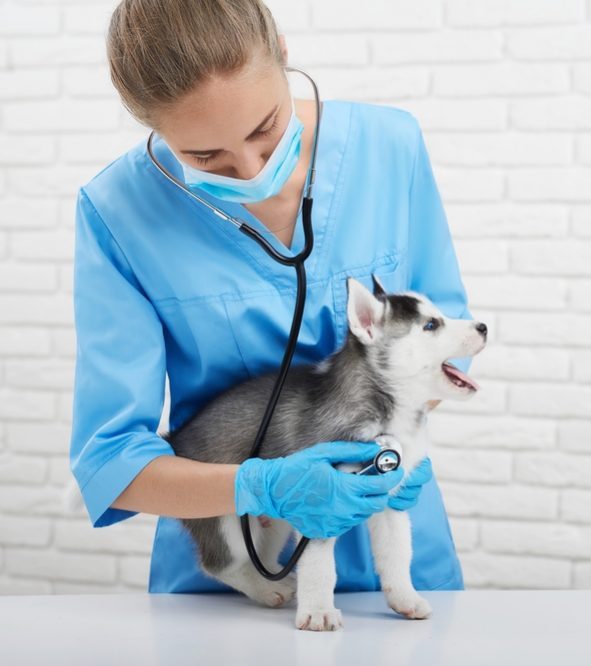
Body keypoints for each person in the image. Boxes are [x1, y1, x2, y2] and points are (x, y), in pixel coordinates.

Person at [69, 0, 473, 594]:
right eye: (205, 157)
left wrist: (384, 458)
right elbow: (110, 463)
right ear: (152, 125)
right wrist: (259, 486)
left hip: (394, 556)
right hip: (232, 568)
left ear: (283, 54)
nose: (251, 168)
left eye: (265, 129)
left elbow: (445, 353)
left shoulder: (390, 147)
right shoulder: (118, 213)